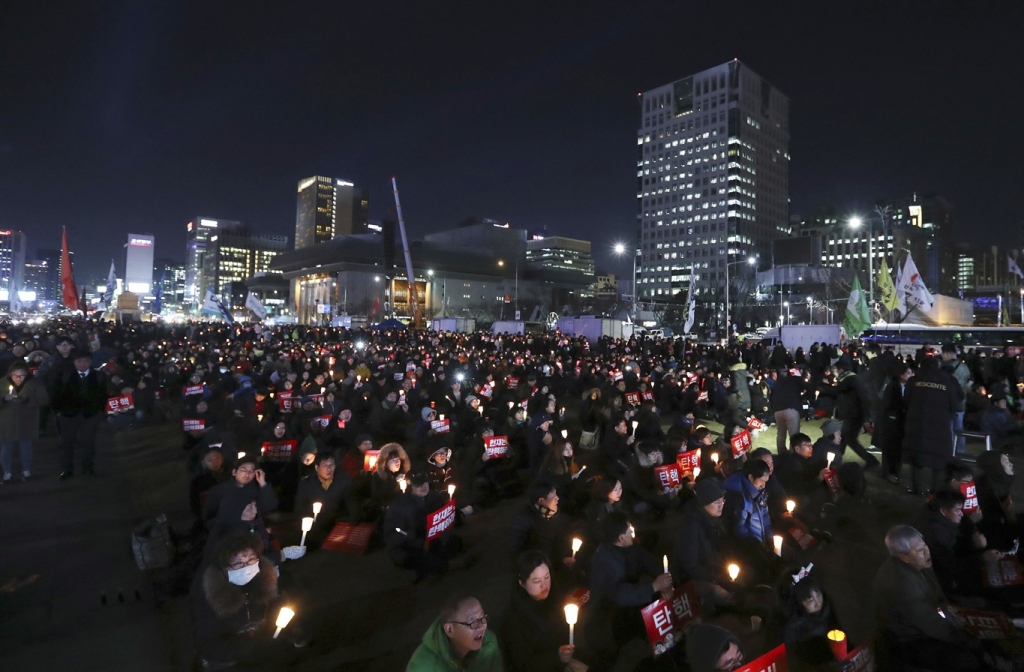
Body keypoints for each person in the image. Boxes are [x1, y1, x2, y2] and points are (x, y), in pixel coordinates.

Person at [871, 525, 987, 671]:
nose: (926, 551)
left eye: (924, 544)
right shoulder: (904, 586)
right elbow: (931, 624)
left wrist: (951, 607)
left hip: (924, 620)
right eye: (920, 550)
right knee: (967, 660)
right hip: (908, 639)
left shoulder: (915, 564)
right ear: (904, 556)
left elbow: (935, 593)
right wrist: (966, 637)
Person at [190, 531, 296, 669]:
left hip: (263, 660)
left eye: (251, 559)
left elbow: (278, 610)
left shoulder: (266, 581)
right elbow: (207, 646)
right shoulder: (208, 596)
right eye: (239, 563)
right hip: (228, 664)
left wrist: (285, 631)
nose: (247, 567)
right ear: (224, 568)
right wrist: (251, 648)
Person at [587, 510, 673, 660]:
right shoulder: (604, 562)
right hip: (610, 613)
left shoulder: (629, 546)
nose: (633, 531)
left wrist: (666, 582)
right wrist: (653, 587)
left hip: (631, 598)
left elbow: (647, 561)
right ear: (621, 538)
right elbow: (618, 595)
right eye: (629, 529)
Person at [500, 551, 583, 672]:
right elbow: (522, 664)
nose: (544, 585)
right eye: (536, 581)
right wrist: (556, 657)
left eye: (547, 576)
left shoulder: (556, 598)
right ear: (522, 583)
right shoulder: (513, 620)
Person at [384, 470, 464, 581]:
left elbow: (443, 516)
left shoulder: (436, 497)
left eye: (425, 483)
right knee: (418, 557)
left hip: (430, 540)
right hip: (408, 546)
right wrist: (408, 536)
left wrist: (452, 517)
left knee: (454, 542)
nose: (423, 487)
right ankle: (447, 566)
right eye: (418, 484)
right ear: (410, 486)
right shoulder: (399, 506)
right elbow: (390, 533)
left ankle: (423, 570)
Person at [903, 356, 962, 495]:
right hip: (939, 427)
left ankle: (917, 489)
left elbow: (905, 401)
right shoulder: (947, 381)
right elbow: (956, 405)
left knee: (916, 458)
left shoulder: (913, 381)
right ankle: (935, 491)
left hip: (916, 425)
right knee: (938, 460)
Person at [406, 593, 503, 672]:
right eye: (473, 622)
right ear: (449, 630)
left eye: (482, 618)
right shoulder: (422, 666)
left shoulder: (489, 643)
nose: (481, 626)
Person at [51, 349, 108, 479]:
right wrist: (59, 411)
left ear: (90, 362)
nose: (83, 364)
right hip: (68, 414)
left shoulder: (98, 376)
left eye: (86, 361)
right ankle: (67, 469)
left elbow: (103, 395)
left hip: (90, 415)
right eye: (79, 361)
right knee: (67, 443)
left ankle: (88, 467)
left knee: (88, 443)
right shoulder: (64, 375)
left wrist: (99, 410)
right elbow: (56, 394)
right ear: (74, 362)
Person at [294, 453, 358, 548]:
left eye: (331, 465)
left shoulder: (344, 480)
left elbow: (352, 502)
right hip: (316, 525)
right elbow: (300, 507)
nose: (329, 469)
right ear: (316, 467)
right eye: (325, 466)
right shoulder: (307, 484)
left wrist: (350, 520)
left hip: (337, 523)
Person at [0, 361, 48, 482]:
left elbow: (43, 399)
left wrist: (28, 401)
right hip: (6, 422)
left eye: (21, 375)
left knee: (26, 446)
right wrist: (4, 399)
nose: (18, 378)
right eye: (15, 375)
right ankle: (7, 472)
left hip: (27, 420)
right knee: (6, 448)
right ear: (10, 374)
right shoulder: (2, 383)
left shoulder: (34, 383)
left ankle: (26, 470)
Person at [833, 357, 880, 470]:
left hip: (854, 415)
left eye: (835, 369)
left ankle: (871, 460)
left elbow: (862, 399)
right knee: (846, 439)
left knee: (849, 439)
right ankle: (837, 460)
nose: (834, 371)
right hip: (853, 414)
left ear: (840, 369)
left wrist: (865, 418)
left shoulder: (850, 380)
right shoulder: (850, 379)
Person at [770, 367, 804, 454]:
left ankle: (781, 454)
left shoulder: (779, 382)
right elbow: (808, 388)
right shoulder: (796, 380)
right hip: (791, 408)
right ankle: (793, 455)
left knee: (781, 434)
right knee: (794, 435)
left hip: (777, 410)